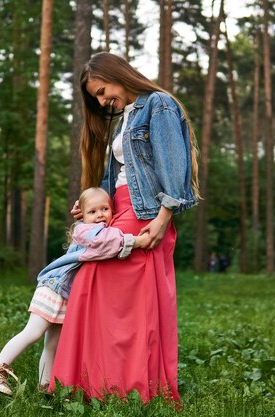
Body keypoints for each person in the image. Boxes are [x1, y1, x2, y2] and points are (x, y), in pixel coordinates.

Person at [49, 52, 199, 406]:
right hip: (119, 211)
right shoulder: (126, 118)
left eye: (102, 91)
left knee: (109, 292)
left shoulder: (158, 105)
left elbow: (173, 166)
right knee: (93, 290)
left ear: (117, 75)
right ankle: (100, 385)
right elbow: (115, 176)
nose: (102, 101)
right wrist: (90, 204)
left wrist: (162, 219)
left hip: (145, 213)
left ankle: (130, 386)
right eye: (97, 98)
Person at [0, 187, 149, 395]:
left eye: (104, 209)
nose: (99, 215)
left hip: (67, 295)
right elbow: (104, 243)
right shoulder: (85, 230)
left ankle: (45, 386)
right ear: (82, 215)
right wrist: (135, 241)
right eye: (92, 212)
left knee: (52, 344)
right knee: (33, 331)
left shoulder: (103, 228)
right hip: (53, 288)